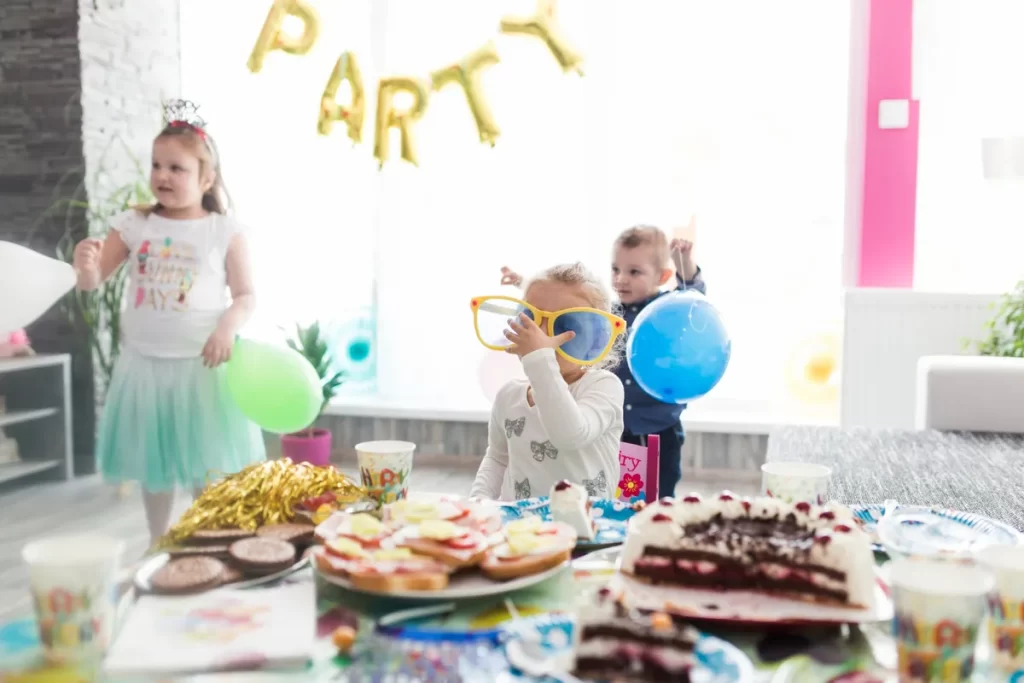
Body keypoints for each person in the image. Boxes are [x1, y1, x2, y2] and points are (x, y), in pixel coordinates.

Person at [73, 104, 265, 546]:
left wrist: (226, 328)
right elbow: (94, 280)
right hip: (145, 366)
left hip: (203, 368)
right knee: (154, 464)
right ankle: (157, 540)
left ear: (206, 179)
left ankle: (208, 541)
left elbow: (246, 296)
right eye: (156, 165)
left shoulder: (223, 231)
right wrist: (84, 267)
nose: (162, 175)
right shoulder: (135, 223)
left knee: (207, 464)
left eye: (176, 168)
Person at [499, 225, 705, 497]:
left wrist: (685, 266)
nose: (621, 279)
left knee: (659, 492)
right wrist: (522, 283)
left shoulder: (666, 310)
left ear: (662, 276)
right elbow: (561, 307)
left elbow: (693, 302)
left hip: (657, 425)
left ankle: (657, 518)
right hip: (611, 422)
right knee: (620, 490)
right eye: (616, 269)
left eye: (634, 272)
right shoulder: (606, 314)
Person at [470, 263, 625, 501]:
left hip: (587, 522)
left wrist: (539, 359)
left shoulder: (604, 386)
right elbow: (497, 459)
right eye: (530, 319)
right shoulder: (508, 396)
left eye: (565, 324)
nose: (540, 335)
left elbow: (571, 435)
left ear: (597, 341)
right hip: (520, 522)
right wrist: (479, 501)